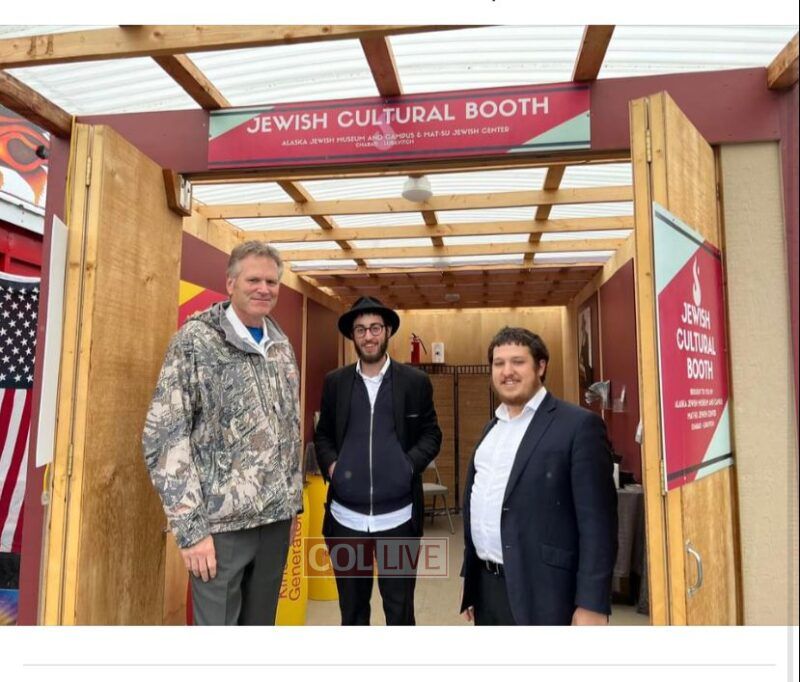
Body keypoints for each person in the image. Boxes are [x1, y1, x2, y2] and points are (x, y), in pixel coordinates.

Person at [142, 241, 302, 625]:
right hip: (221, 531)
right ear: (230, 283)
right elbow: (164, 438)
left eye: (272, 281)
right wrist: (192, 531)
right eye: (254, 279)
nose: (264, 288)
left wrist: (292, 505)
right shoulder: (195, 341)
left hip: (275, 524)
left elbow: (289, 430)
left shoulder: (281, 347)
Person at [460, 326, 617, 626]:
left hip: (547, 592)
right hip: (487, 588)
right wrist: (471, 582)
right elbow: (482, 506)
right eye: (498, 363)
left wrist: (592, 603)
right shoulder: (491, 429)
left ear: (540, 366)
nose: (507, 371)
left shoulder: (578, 426)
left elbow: (599, 523)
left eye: (518, 361)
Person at [314, 296, 442, 625]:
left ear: (386, 332)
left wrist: (407, 465)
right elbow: (323, 435)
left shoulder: (414, 382)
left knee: (399, 613)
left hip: (398, 521)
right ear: (352, 336)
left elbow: (431, 435)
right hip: (346, 522)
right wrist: (333, 466)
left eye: (374, 328)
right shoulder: (336, 383)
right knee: (352, 613)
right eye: (360, 330)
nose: (368, 336)